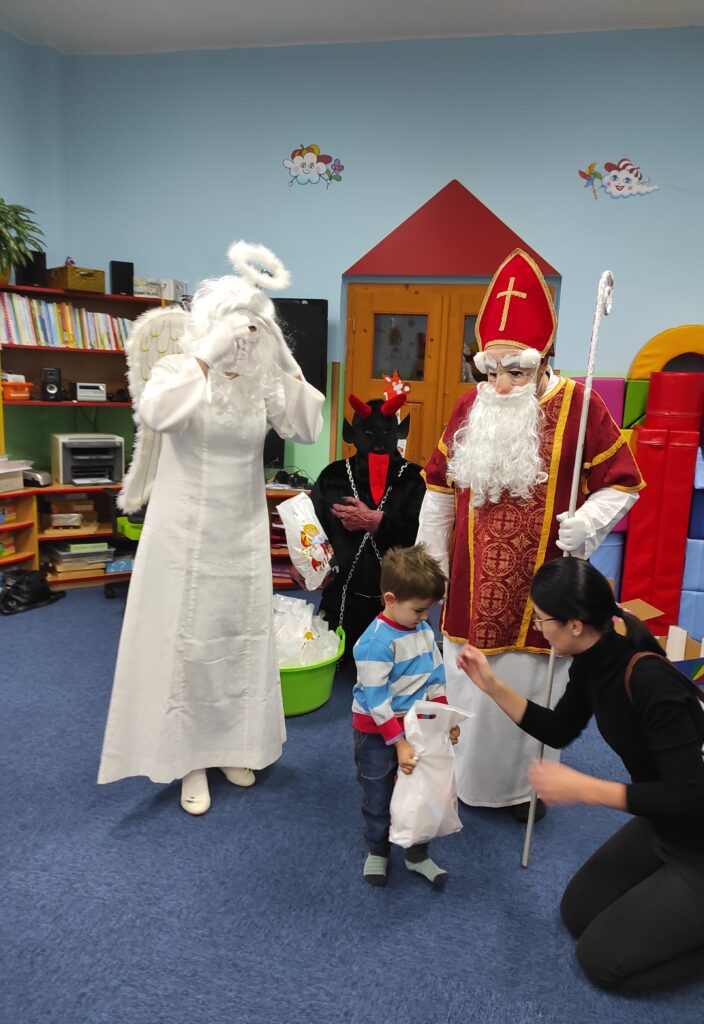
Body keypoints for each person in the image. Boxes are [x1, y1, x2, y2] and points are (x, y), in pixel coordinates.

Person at [457, 556, 704, 991]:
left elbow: (688, 796)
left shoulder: (648, 679)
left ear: (574, 625)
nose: (539, 628)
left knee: (602, 963)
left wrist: (586, 789)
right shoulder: (592, 659)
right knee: (577, 914)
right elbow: (559, 729)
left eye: (542, 619)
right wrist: (491, 685)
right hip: (664, 827)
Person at [98, 241, 325, 815]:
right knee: (187, 639)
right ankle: (187, 757)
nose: (242, 344)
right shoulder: (179, 370)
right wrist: (205, 356)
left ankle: (232, 742)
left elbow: (304, 427)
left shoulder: (259, 383)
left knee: (237, 637)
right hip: (183, 533)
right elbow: (156, 414)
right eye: (235, 332)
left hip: (241, 531)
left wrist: (286, 363)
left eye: (252, 334)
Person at [416, 248, 643, 819]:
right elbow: (439, 488)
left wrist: (586, 520)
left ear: (544, 362)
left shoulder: (581, 405)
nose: (501, 384)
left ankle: (521, 791)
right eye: (491, 371)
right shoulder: (469, 406)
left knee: (536, 685)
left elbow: (623, 483)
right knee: (469, 683)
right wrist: (429, 564)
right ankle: (466, 779)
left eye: (515, 371)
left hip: (542, 589)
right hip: (471, 585)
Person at [352, 545, 460, 888]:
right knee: (379, 793)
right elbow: (376, 700)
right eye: (419, 610)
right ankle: (378, 849)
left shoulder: (423, 631)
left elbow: (435, 675)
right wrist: (398, 743)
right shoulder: (375, 643)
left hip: (416, 726)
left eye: (429, 610)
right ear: (390, 599)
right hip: (377, 732)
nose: (425, 617)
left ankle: (417, 853)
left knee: (420, 791)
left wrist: (444, 718)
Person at [310, 392, 425, 660]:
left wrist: (379, 522)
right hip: (340, 600)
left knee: (398, 667)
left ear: (398, 433)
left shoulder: (413, 478)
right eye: (370, 434)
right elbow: (313, 529)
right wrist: (311, 567)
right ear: (352, 435)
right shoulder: (333, 475)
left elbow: (422, 537)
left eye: (386, 432)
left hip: (398, 603)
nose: (378, 441)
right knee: (333, 663)